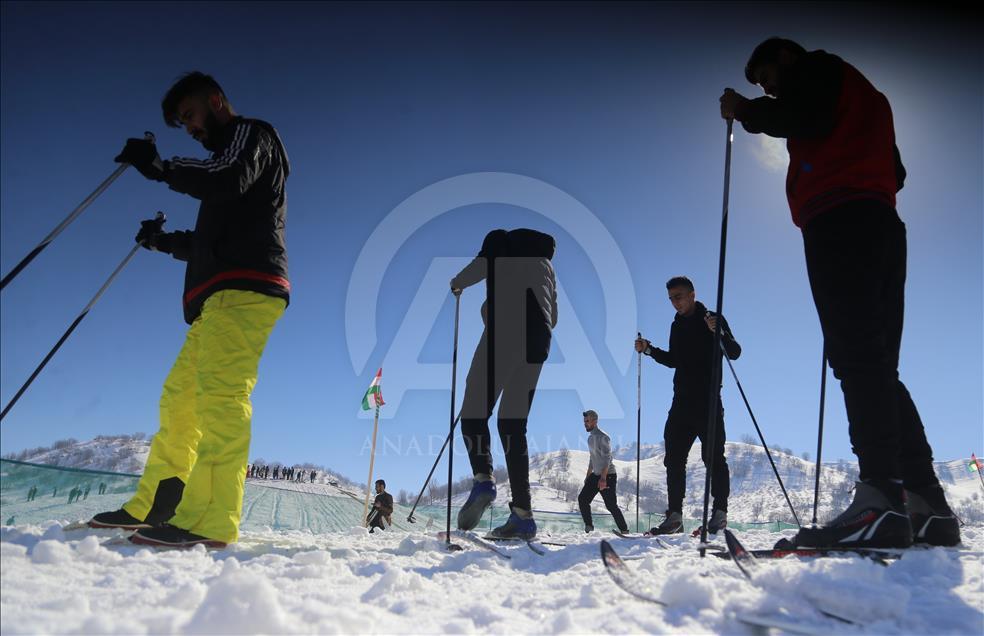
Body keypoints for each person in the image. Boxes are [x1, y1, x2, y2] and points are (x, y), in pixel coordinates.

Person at [719, 38, 959, 549]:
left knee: (855, 357)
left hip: (839, 218)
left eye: (766, 78)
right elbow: (898, 171)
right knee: (875, 364)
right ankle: (927, 503)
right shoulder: (866, 95)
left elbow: (802, 115)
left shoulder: (817, 71)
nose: (767, 88)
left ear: (784, 57)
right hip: (881, 221)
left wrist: (745, 111)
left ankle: (879, 499)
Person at [87, 72, 290, 549]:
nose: (191, 128)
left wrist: (159, 165)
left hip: (247, 288)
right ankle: (156, 505)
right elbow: (208, 243)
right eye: (183, 123)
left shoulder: (250, 136)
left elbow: (227, 176)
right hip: (217, 295)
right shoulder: (223, 171)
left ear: (217, 101)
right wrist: (161, 241)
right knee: (179, 402)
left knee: (220, 398)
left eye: (191, 116)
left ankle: (212, 520)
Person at [452, 229, 558, 540]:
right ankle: (523, 517)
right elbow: (554, 315)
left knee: (473, 411)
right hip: (538, 343)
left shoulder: (500, 241)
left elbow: (477, 268)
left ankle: (483, 479)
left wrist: (456, 284)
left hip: (504, 333)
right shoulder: (546, 266)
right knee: (513, 425)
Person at [635, 276, 741, 535]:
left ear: (692, 294)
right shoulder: (676, 325)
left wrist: (720, 332)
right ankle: (674, 517)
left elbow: (735, 352)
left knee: (713, 458)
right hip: (681, 402)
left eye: (679, 296)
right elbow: (674, 360)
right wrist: (650, 350)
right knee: (673, 459)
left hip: (708, 403)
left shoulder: (713, 318)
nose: (675, 303)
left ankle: (719, 515)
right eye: (671, 298)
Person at [577, 410, 629, 533]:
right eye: (584, 421)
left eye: (587, 421)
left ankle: (624, 530)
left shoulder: (603, 437)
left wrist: (603, 478)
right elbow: (592, 458)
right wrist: (588, 475)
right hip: (595, 475)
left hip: (608, 476)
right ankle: (589, 526)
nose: (585, 423)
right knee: (583, 499)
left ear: (595, 421)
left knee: (611, 505)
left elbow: (607, 458)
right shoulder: (590, 439)